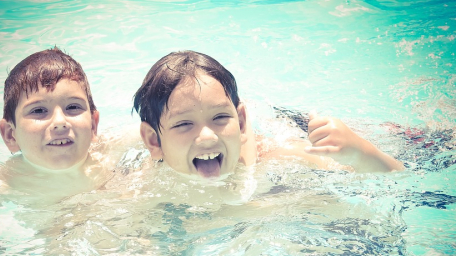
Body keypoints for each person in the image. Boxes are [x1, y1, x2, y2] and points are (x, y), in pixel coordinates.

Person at [133, 50, 404, 179]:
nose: (206, 137)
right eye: (184, 124)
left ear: (240, 121)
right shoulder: (141, 180)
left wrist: (360, 152)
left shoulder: (277, 160)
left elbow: (396, 174)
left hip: (292, 129)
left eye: (219, 118)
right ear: (154, 141)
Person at [0, 47, 114, 201]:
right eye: (39, 110)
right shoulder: (3, 184)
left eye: (73, 107)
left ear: (93, 125)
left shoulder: (109, 156)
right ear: (10, 135)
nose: (60, 122)